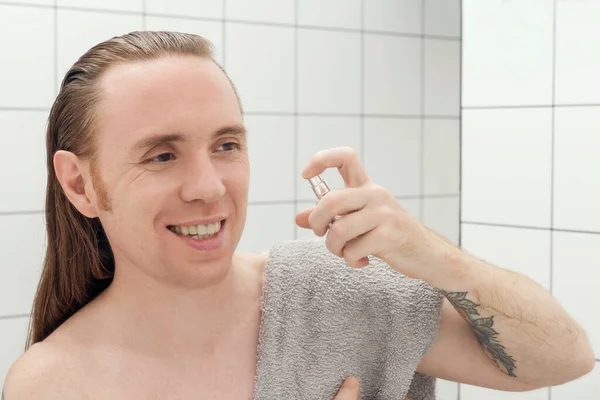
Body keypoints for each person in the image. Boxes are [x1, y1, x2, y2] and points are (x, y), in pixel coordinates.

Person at [2, 31, 595, 399]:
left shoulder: (337, 294)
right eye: (162, 155)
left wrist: (433, 257)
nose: (210, 187)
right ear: (81, 184)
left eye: (227, 145)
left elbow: (566, 360)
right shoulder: (52, 385)